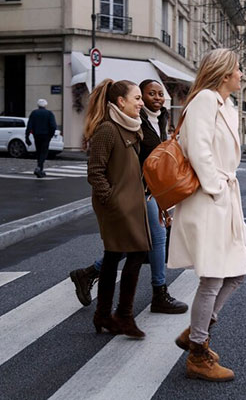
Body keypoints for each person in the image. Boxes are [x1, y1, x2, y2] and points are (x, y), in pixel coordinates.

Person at [169, 48, 246, 382]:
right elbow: (198, 148)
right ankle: (197, 353)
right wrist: (215, 188)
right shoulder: (206, 100)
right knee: (214, 277)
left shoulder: (226, 106)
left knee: (238, 270)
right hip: (209, 199)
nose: (242, 74)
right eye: (238, 69)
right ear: (224, 74)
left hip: (223, 199)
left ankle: (196, 332)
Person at [69, 80, 188, 315]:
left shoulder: (162, 117)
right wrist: (113, 200)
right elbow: (98, 170)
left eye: (159, 94)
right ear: (132, 99)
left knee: (140, 244)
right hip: (132, 192)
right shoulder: (131, 122)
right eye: (146, 95)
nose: (155, 98)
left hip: (148, 189)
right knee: (150, 240)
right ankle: (157, 294)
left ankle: (90, 274)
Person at [83, 78, 150, 338]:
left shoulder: (131, 127)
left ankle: (103, 314)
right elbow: (95, 172)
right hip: (117, 206)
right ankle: (123, 315)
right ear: (120, 102)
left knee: (113, 256)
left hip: (132, 204)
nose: (141, 103)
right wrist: (111, 199)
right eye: (137, 98)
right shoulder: (108, 130)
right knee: (137, 253)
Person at [26, 99, 57, 178]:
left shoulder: (34, 113)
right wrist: (51, 135)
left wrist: (27, 137)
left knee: (39, 152)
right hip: (46, 135)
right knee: (44, 152)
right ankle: (39, 168)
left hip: (37, 135)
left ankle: (40, 169)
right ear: (46, 105)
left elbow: (29, 125)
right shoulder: (49, 113)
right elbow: (53, 126)